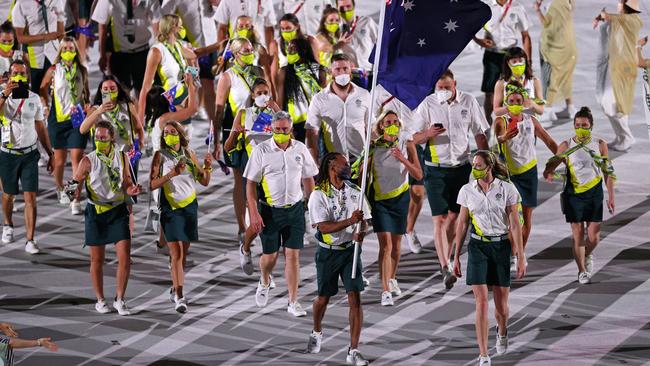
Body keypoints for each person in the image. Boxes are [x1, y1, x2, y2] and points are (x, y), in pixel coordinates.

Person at [411, 69, 489, 290]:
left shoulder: (469, 101)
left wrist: (487, 159)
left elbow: (479, 132)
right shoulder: (428, 104)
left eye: (447, 87)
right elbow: (413, 137)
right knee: (440, 219)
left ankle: (445, 252)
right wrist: (428, 134)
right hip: (435, 169)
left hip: (461, 167)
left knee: (455, 217)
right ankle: (445, 266)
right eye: (440, 88)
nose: (443, 91)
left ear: (455, 84)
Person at [452, 150, 526, 366]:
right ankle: (483, 354)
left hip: (501, 247)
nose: (474, 168)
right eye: (473, 165)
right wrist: (455, 256)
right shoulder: (467, 191)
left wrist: (521, 256)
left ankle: (502, 332)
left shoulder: (507, 189)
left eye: (478, 165)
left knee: (501, 307)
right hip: (478, 248)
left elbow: (515, 225)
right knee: (481, 303)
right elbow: (462, 224)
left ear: (489, 167)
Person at [243, 111, 318, 316]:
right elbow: (250, 184)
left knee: (292, 256)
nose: (281, 133)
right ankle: (265, 279)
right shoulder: (261, 150)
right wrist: (254, 212)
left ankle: (293, 301)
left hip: (294, 210)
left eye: (285, 129)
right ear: (271, 130)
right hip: (269, 211)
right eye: (277, 130)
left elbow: (308, 177)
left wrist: (312, 206)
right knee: (270, 257)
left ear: (291, 128)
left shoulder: (300, 149)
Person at [67, 121, 141, 316]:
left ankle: (120, 299)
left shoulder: (122, 156)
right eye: (96, 137)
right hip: (96, 213)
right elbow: (75, 188)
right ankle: (100, 300)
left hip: (117, 211)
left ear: (112, 139)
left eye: (103, 137)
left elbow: (126, 182)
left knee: (124, 257)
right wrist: (71, 192)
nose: (99, 140)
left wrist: (131, 189)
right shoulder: (87, 161)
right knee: (97, 259)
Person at [306, 152, 371, 366]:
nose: (349, 167)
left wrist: (361, 230)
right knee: (323, 297)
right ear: (332, 166)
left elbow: (365, 222)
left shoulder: (355, 191)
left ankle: (353, 350)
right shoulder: (318, 195)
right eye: (345, 164)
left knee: (355, 298)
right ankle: (316, 330)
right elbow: (323, 227)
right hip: (328, 253)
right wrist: (350, 221)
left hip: (350, 251)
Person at [543, 107, 615, 285]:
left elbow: (608, 171)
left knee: (594, 237)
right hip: (573, 194)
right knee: (578, 235)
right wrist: (549, 172)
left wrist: (611, 196)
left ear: (591, 126)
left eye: (584, 125)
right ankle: (582, 271)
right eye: (577, 125)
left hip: (594, 192)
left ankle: (587, 255)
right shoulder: (566, 145)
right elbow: (551, 165)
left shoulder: (600, 144)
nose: (580, 128)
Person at [149, 120, 212, 313]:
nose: (169, 135)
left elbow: (204, 182)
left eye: (173, 131)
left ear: (180, 134)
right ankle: (180, 295)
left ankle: (176, 284)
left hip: (189, 207)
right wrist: (171, 174)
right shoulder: (160, 156)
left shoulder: (189, 153)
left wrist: (207, 167)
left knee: (183, 253)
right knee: (175, 253)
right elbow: (152, 184)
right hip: (170, 208)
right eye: (166, 132)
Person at [494, 84, 557, 274]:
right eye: (511, 101)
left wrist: (560, 161)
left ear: (524, 103)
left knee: (527, 218)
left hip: (529, 172)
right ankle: (513, 254)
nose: (514, 104)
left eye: (518, 102)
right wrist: (505, 137)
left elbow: (549, 141)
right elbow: (497, 138)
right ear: (506, 102)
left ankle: (519, 253)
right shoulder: (501, 120)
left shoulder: (531, 121)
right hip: (510, 175)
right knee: (512, 217)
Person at [223, 78, 280, 274]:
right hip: (254, 176)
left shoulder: (277, 115)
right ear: (253, 96)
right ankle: (245, 247)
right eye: (259, 93)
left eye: (267, 92)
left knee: (271, 225)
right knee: (258, 223)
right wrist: (234, 135)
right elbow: (228, 148)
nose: (264, 96)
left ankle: (266, 271)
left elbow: (292, 141)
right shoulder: (243, 114)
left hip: (275, 174)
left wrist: (278, 110)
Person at [366, 111, 422, 306]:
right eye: (388, 122)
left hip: (400, 198)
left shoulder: (406, 144)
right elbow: (364, 176)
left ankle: (391, 277)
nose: (392, 125)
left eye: (395, 122)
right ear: (381, 125)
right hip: (380, 201)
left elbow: (418, 174)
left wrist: (402, 158)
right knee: (386, 246)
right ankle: (385, 291)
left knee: (397, 246)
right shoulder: (373, 147)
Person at [0, 60, 54, 254]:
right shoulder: (1, 95)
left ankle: (30, 239)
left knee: (30, 196)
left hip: (30, 154)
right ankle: (8, 224)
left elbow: (40, 126)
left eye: (23, 74)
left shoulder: (34, 99)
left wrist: (50, 153)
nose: (19, 77)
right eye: (16, 73)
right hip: (8, 154)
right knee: (8, 195)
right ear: (9, 75)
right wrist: (5, 94)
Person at [214, 37, 263, 241]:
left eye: (251, 49)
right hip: (237, 132)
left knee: (258, 179)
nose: (250, 53)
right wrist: (215, 140)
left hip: (259, 131)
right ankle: (242, 226)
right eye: (245, 50)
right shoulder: (228, 77)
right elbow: (218, 110)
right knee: (240, 179)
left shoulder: (258, 71)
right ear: (234, 54)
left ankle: (256, 219)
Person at [39, 36, 90, 215]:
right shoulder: (54, 70)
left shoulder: (82, 70)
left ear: (76, 51)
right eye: (65, 48)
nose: (68, 51)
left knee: (77, 158)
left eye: (71, 48)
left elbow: (86, 92)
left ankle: (74, 198)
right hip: (58, 120)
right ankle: (60, 188)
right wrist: (45, 106)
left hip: (77, 120)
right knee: (59, 161)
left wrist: (87, 104)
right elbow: (42, 88)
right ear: (61, 51)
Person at [371, 85, 424, 254]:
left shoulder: (414, 88)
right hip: (387, 147)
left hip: (409, 143)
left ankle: (409, 229)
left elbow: (419, 122)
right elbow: (373, 121)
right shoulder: (379, 90)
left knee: (417, 193)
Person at [593, 0, 643, 152]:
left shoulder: (633, 20)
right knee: (607, 101)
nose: (618, 4)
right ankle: (621, 137)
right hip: (611, 66)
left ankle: (627, 136)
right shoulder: (617, 20)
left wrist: (603, 16)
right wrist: (603, 19)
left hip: (623, 69)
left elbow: (616, 19)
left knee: (611, 103)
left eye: (621, 2)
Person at [473, 0, 531, 123]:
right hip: (492, 55)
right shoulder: (486, 6)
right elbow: (470, 28)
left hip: (511, 57)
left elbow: (525, 35)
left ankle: (512, 122)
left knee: (513, 91)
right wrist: (480, 41)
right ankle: (488, 123)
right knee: (489, 92)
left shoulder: (517, 7)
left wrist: (528, 62)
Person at [161, 0, 220, 123]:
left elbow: (217, 15)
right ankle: (183, 119)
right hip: (189, 50)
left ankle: (212, 123)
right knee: (189, 84)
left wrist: (215, 4)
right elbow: (165, 18)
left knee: (208, 84)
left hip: (210, 45)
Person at [305, 53, 370, 164]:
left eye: (345, 68)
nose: (342, 73)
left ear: (351, 69)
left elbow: (371, 127)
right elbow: (311, 133)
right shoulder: (319, 99)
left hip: (361, 160)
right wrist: (314, 163)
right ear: (331, 71)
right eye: (337, 69)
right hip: (334, 161)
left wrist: (371, 158)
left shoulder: (364, 95)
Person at [138, 14, 197, 133]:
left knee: (185, 139)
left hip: (183, 98)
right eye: (179, 25)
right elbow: (145, 87)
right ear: (172, 27)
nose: (182, 27)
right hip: (167, 102)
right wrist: (140, 120)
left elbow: (194, 55)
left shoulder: (178, 45)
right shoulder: (156, 51)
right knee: (167, 141)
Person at [92, 0, 161, 96]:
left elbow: (156, 23)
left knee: (144, 91)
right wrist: (102, 54)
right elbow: (102, 25)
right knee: (122, 92)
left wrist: (159, 50)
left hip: (143, 50)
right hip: (120, 52)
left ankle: (140, 110)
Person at [276, 37, 326, 142]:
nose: (289, 52)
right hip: (296, 123)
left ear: (303, 50)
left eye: (293, 49)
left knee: (317, 155)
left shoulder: (318, 69)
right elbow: (280, 102)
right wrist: (283, 123)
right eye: (288, 49)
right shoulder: (284, 71)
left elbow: (325, 96)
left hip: (317, 120)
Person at [535, 0, 577, 119]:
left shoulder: (554, 4)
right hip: (565, 43)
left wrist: (537, 10)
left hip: (552, 45)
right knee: (565, 76)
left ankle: (547, 110)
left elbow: (548, 24)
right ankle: (570, 108)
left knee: (549, 77)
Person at [81, 75, 145, 154]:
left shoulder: (127, 106)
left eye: (112, 88)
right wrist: (98, 111)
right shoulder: (95, 109)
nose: (109, 92)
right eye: (105, 89)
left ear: (118, 90)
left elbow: (139, 128)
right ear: (101, 91)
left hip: (127, 154)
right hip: (106, 156)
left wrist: (140, 144)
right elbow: (82, 130)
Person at [11, 0, 65, 94]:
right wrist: (44, 37)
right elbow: (20, 38)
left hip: (53, 54)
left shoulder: (56, 1)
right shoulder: (21, 4)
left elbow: (61, 31)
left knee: (54, 93)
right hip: (33, 56)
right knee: (31, 93)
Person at [492, 47, 546, 121]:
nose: (518, 64)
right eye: (514, 61)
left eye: (520, 61)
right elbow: (496, 111)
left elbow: (541, 110)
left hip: (530, 124)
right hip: (510, 124)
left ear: (525, 62)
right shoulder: (501, 83)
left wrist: (532, 104)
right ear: (508, 63)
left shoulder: (535, 81)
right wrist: (511, 107)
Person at [269, 13, 318, 91]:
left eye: (288, 28)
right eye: (282, 28)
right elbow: (274, 74)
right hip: (288, 86)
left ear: (297, 26)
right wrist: (276, 93)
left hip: (309, 85)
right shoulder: (275, 44)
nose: (285, 31)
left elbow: (317, 65)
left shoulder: (310, 40)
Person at [336, 0, 377, 76]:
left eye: (348, 6)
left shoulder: (367, 22)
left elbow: (381, 44)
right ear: (337, 8)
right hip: (351, 74)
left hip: (370, 72)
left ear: (354, 6)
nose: (345, 10)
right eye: (341, 7)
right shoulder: (335, 30)